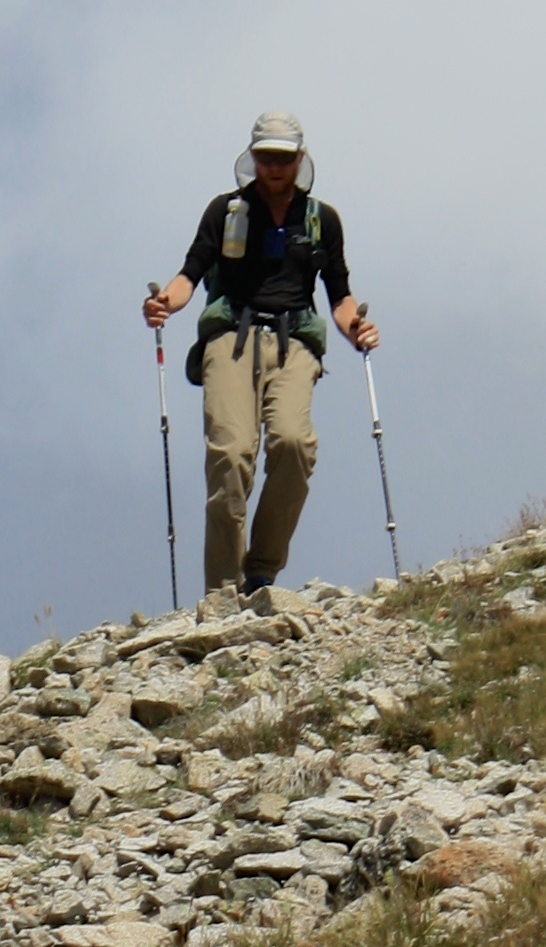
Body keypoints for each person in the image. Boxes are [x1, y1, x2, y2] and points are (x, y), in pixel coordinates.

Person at [144, 115, 377, 603]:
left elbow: (339, 295)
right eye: (266, 156)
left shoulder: (321, 220)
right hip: (231, 336)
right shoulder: (225, 211)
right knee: (230, 455)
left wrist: (357, 329)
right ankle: (224, 591)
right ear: (252, 158)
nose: (274, 166)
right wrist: (164, 302)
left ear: (299, 159)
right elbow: (190, 273)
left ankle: (261, 572)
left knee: (294, 444)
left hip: (295, 342)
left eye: (283, 157)